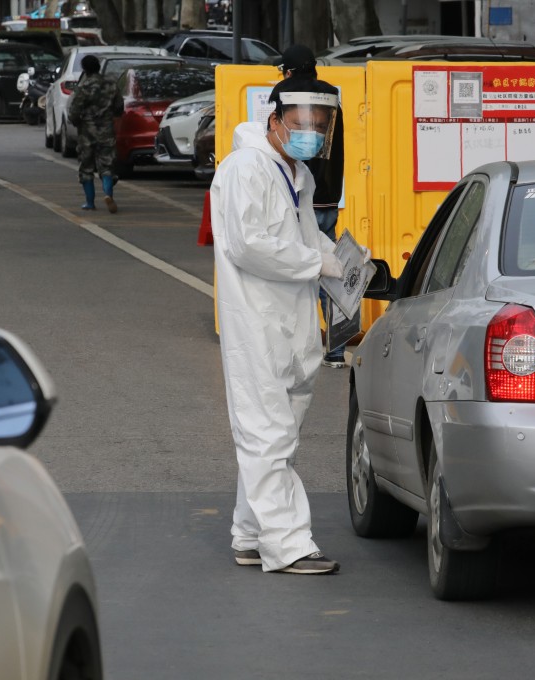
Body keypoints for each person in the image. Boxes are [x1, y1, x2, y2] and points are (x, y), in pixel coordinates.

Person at [211, 77, 362, 575]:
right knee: (268, 434)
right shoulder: (246, 169)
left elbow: (305, 236)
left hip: (290, 322)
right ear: (274, 120)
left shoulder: (294, 173)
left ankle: (250, 534)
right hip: (256, 321)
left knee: (278, 435)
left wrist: (343, 260)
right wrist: (317, 263)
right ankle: (288, 544)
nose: (311, 134)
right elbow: (248, 245)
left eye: (320, 125)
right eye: (302, 124)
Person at [277, 44, 348, 368]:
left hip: (298, 198)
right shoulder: (331, 99)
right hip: (329, 198)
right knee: (329, 271)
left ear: (289, 71)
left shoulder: (287, 98)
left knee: (294, 270)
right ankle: (336, 350)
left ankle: (295, 346)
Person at [67, 54, 123, 213]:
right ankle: (108, 194)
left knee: (86, 168)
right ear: (98, 67)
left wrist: (77, 122)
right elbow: (119, 107)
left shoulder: (84, 86)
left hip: (87, 132)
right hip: (106, 130)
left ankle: (90, 202)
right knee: (107, 166)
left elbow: (74, 111)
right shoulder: (111, 84)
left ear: (84, 69)